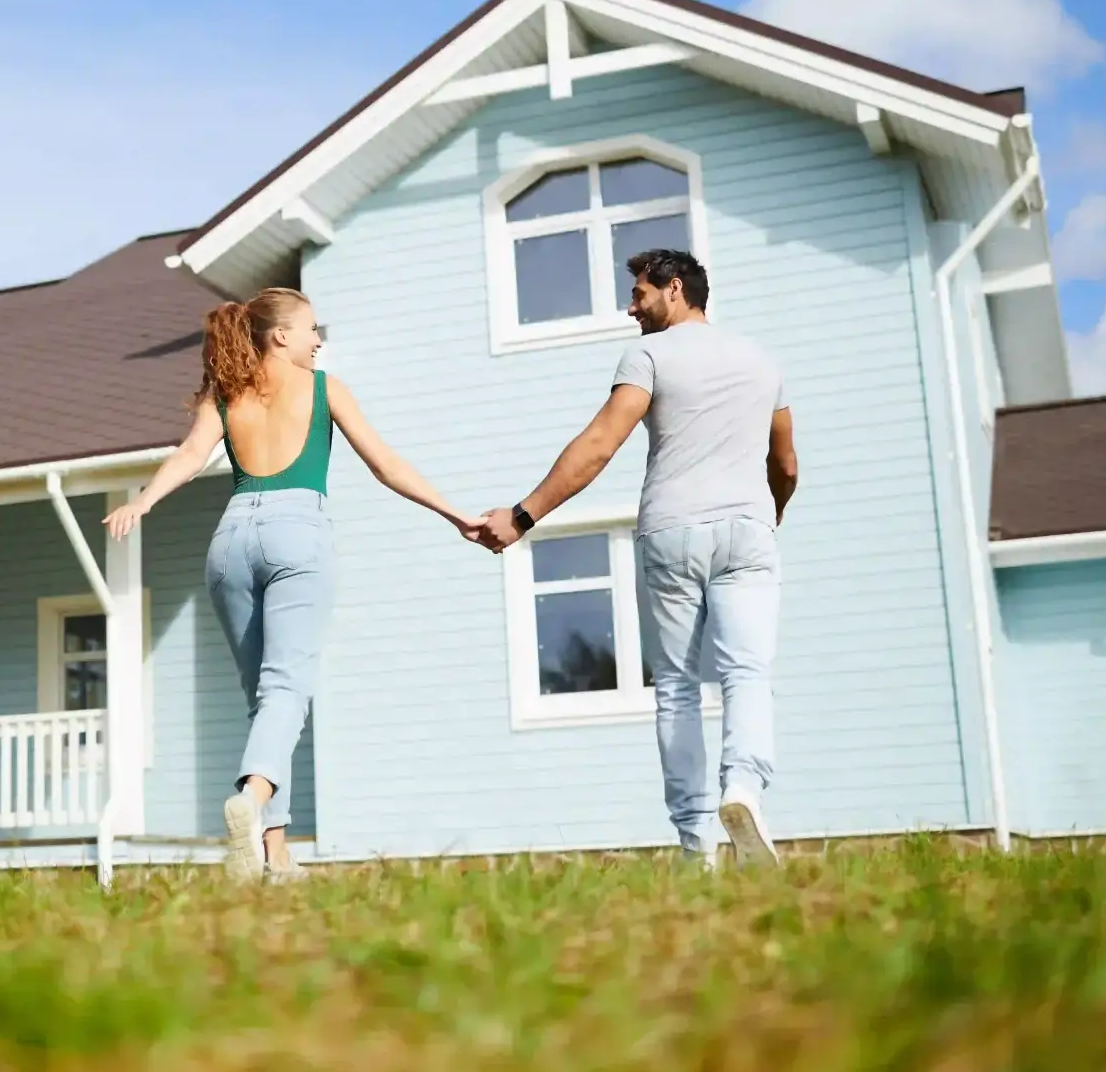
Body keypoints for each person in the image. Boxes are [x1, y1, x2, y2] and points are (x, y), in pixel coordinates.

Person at [106, 287, 480, 882]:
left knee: (264, 698)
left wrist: (144, 500)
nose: (318, 340)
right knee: (286, 690)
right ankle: (251, 800)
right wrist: (455, 513)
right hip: (296, 531)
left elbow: (191, 453)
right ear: (281, 335)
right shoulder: (325, 388)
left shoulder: (226, 392)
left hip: (229, 540)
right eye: (311, 329)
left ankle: (276, 857)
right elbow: (386, 465)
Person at [475, 248, 797, 868]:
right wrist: (767, 514)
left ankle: (695, 842)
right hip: (749, 530)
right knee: (746, 673)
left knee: (677, 687)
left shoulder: (649, 356)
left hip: (673, 529)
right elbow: (785, 464)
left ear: (675, 290)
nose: (631, 308)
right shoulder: (762, 361)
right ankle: (745, 790)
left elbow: (599, 444)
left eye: (640, 295)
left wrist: (522, 517)